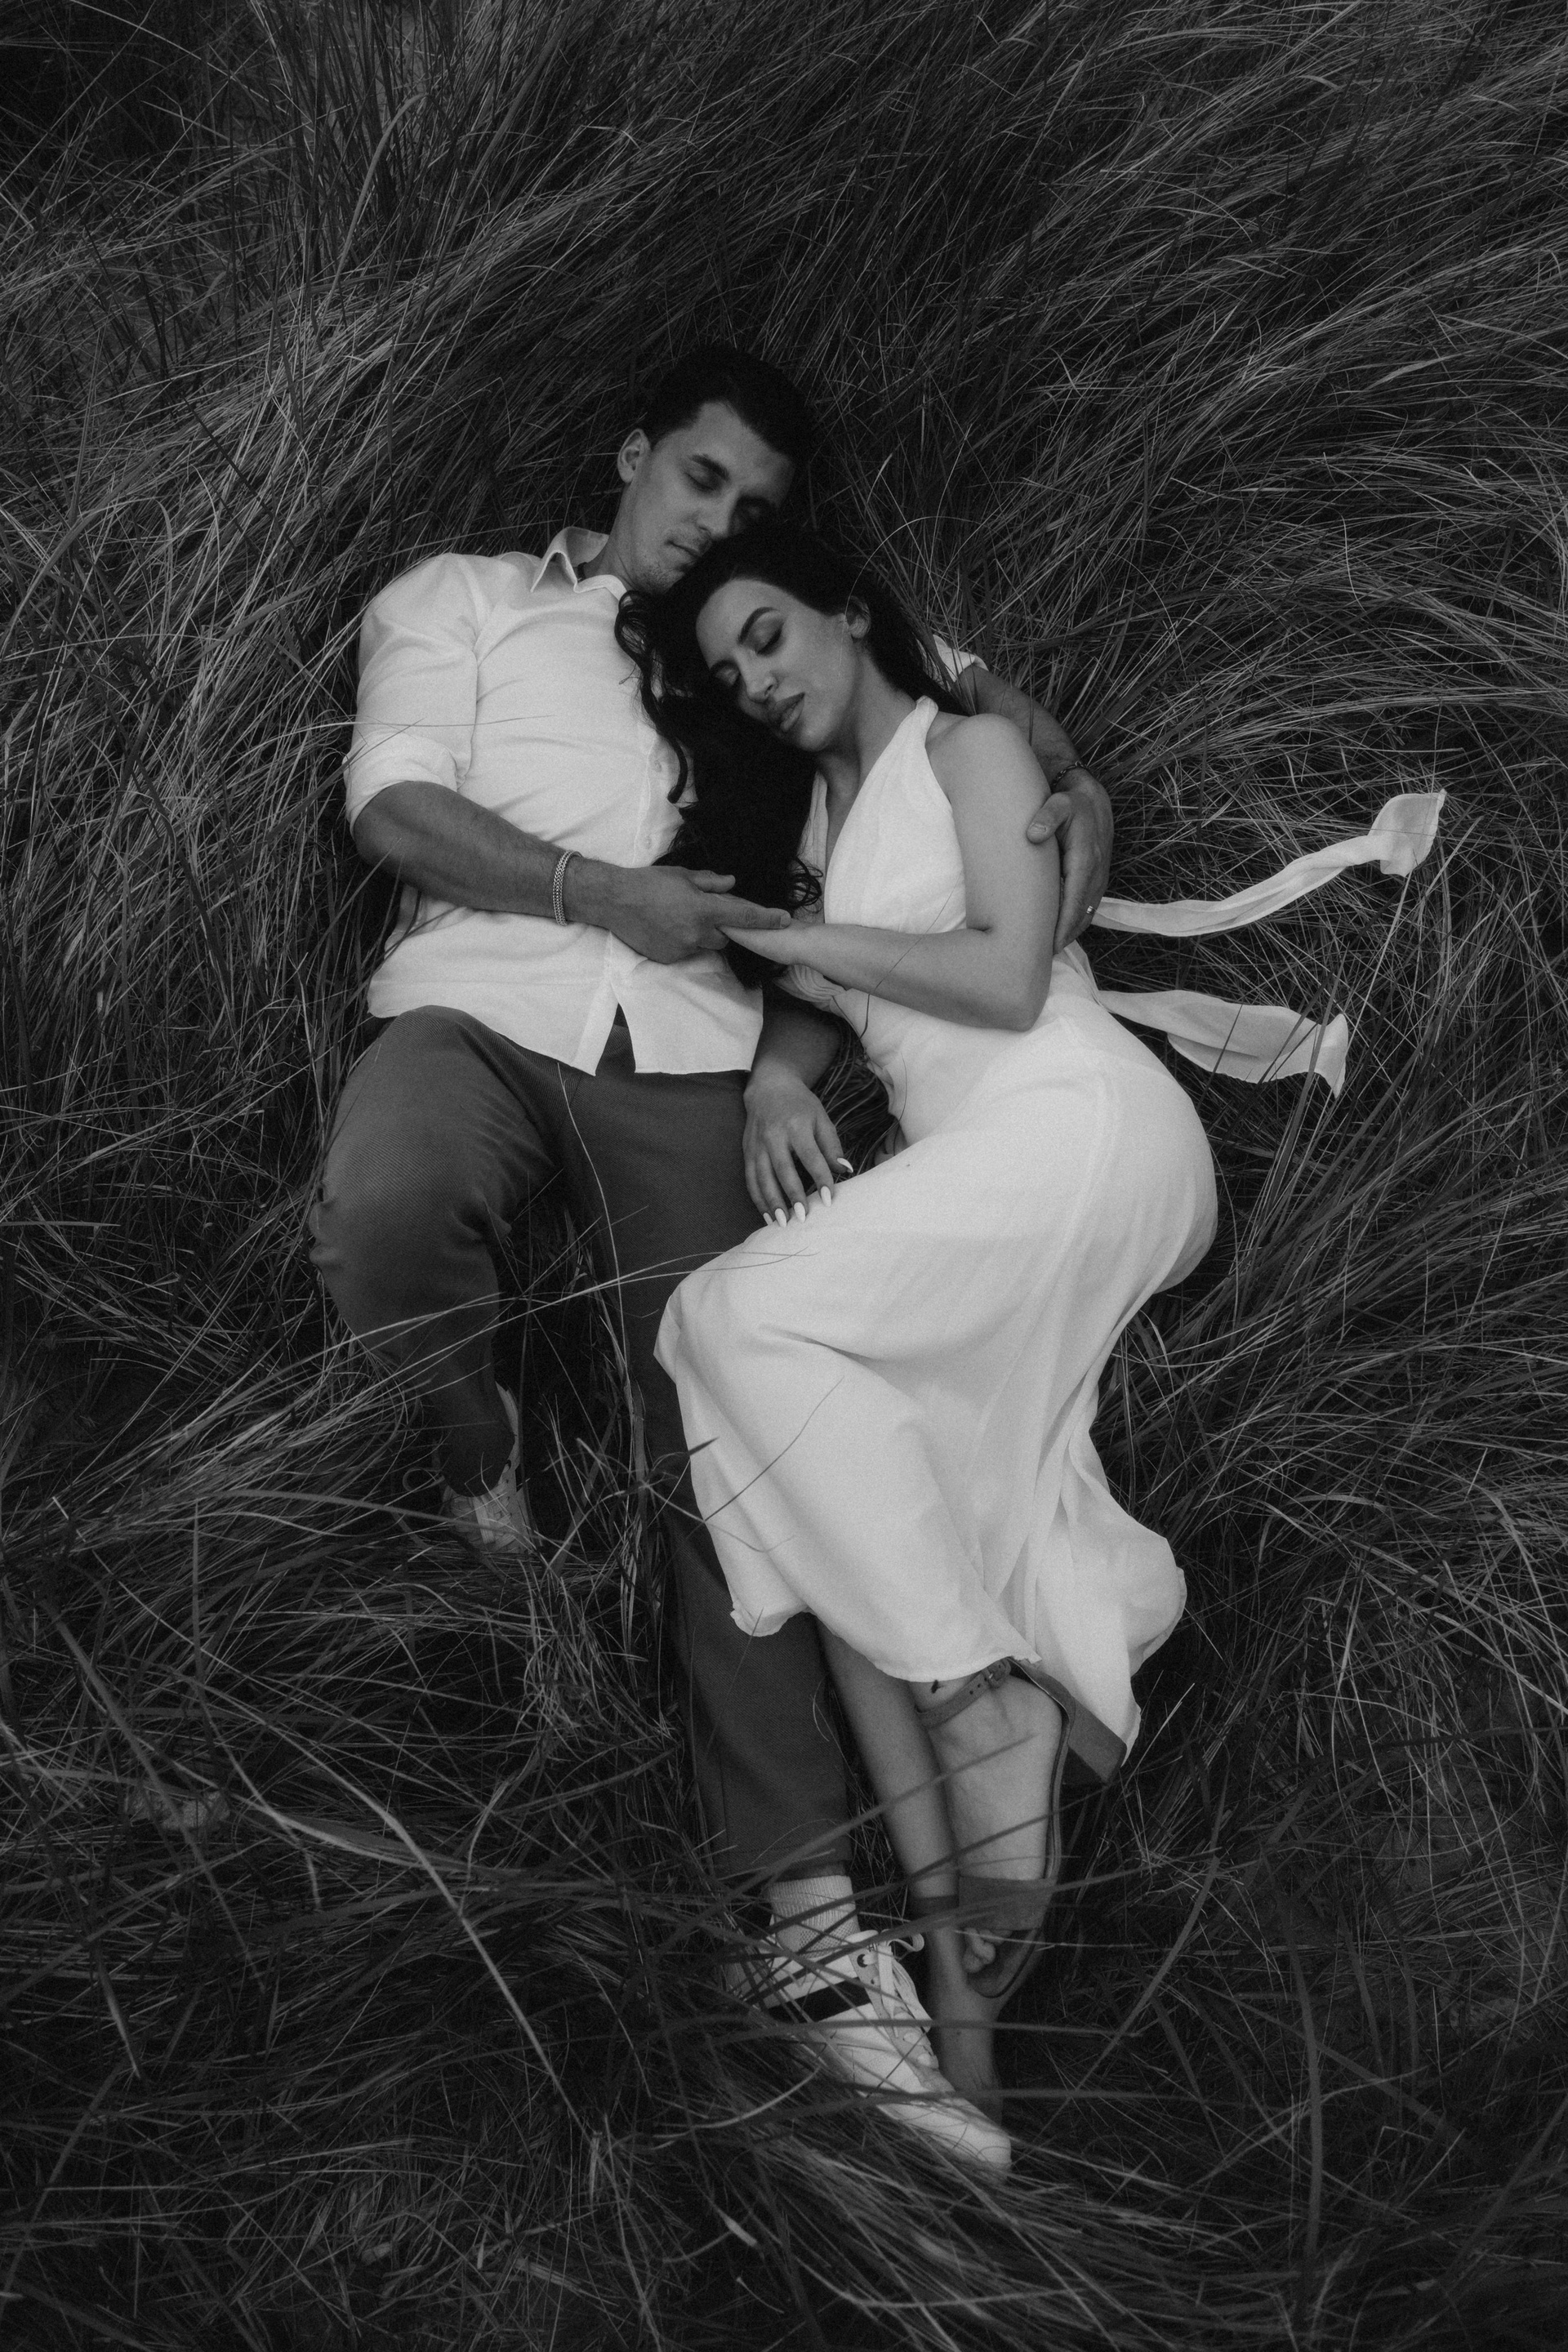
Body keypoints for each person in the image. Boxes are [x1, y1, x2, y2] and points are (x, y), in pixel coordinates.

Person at [310, 347, 1115, 2174]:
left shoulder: (756, 638)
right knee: (385, 1200)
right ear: (631, 456)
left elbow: (984, 733)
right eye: (699, 482)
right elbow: (391, 807)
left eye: (753, 511)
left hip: (687, 1064)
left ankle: (810, 1921)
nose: (718, 526)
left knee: (736, 1447)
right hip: (479, 1005)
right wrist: (606, 895)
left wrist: (1071, 790)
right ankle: (480, 1461)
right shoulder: (463, 601)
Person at [617, 518, 1220, 2135]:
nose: (756, 681)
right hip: (987, 1175)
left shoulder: (966, 746)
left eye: (767, 636)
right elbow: (833, 997)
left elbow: (1009, 977)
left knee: (728, 1318)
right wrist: (772, 1077)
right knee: (823, 1501)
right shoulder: (817, 828)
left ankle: (978, 1702)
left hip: (1078, 1120)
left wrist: (800, 945)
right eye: (729, 673)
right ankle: (965, 2031)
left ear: (844, 610)